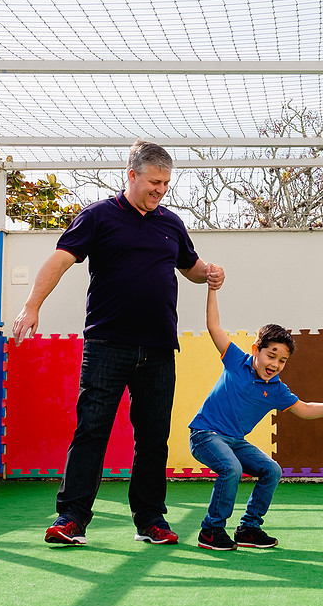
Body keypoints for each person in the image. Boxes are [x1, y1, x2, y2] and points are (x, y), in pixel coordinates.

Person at [12, 139, 225, 547]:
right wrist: (31, 306)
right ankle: (71, 518)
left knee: (153, 437)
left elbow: (191, 267)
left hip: (160, 350)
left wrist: (210, 274)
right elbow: (59, 260)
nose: (160, 190)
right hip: (107, 346)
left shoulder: (171, 224)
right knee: (91, 430)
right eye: (153, 182)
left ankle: (150, 520)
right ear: (132, 175)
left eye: (166, 183)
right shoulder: (99, 217)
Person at [189, 276, 323, 550]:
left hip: (234, 441)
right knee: (230, 468)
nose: (275, 364)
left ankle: (248, 528)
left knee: (271, 469)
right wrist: (211, 289)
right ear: (256, 350)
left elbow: (303, 409)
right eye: (271, 355)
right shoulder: (236, 361)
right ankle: (211, 530)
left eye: (282, 360)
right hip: (205, 434)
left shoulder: (277, 390)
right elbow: (213, 326)